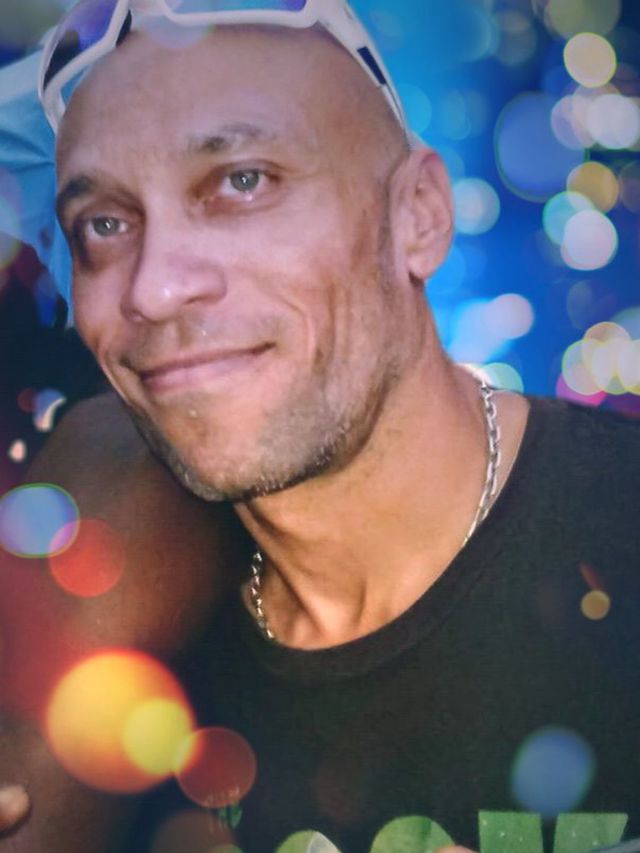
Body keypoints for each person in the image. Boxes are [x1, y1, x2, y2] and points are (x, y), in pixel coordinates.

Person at [1, 1, 639, 850]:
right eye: (105, 225)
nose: (154, 287)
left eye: (242, 181)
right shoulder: (113, 610)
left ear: (418, 215)